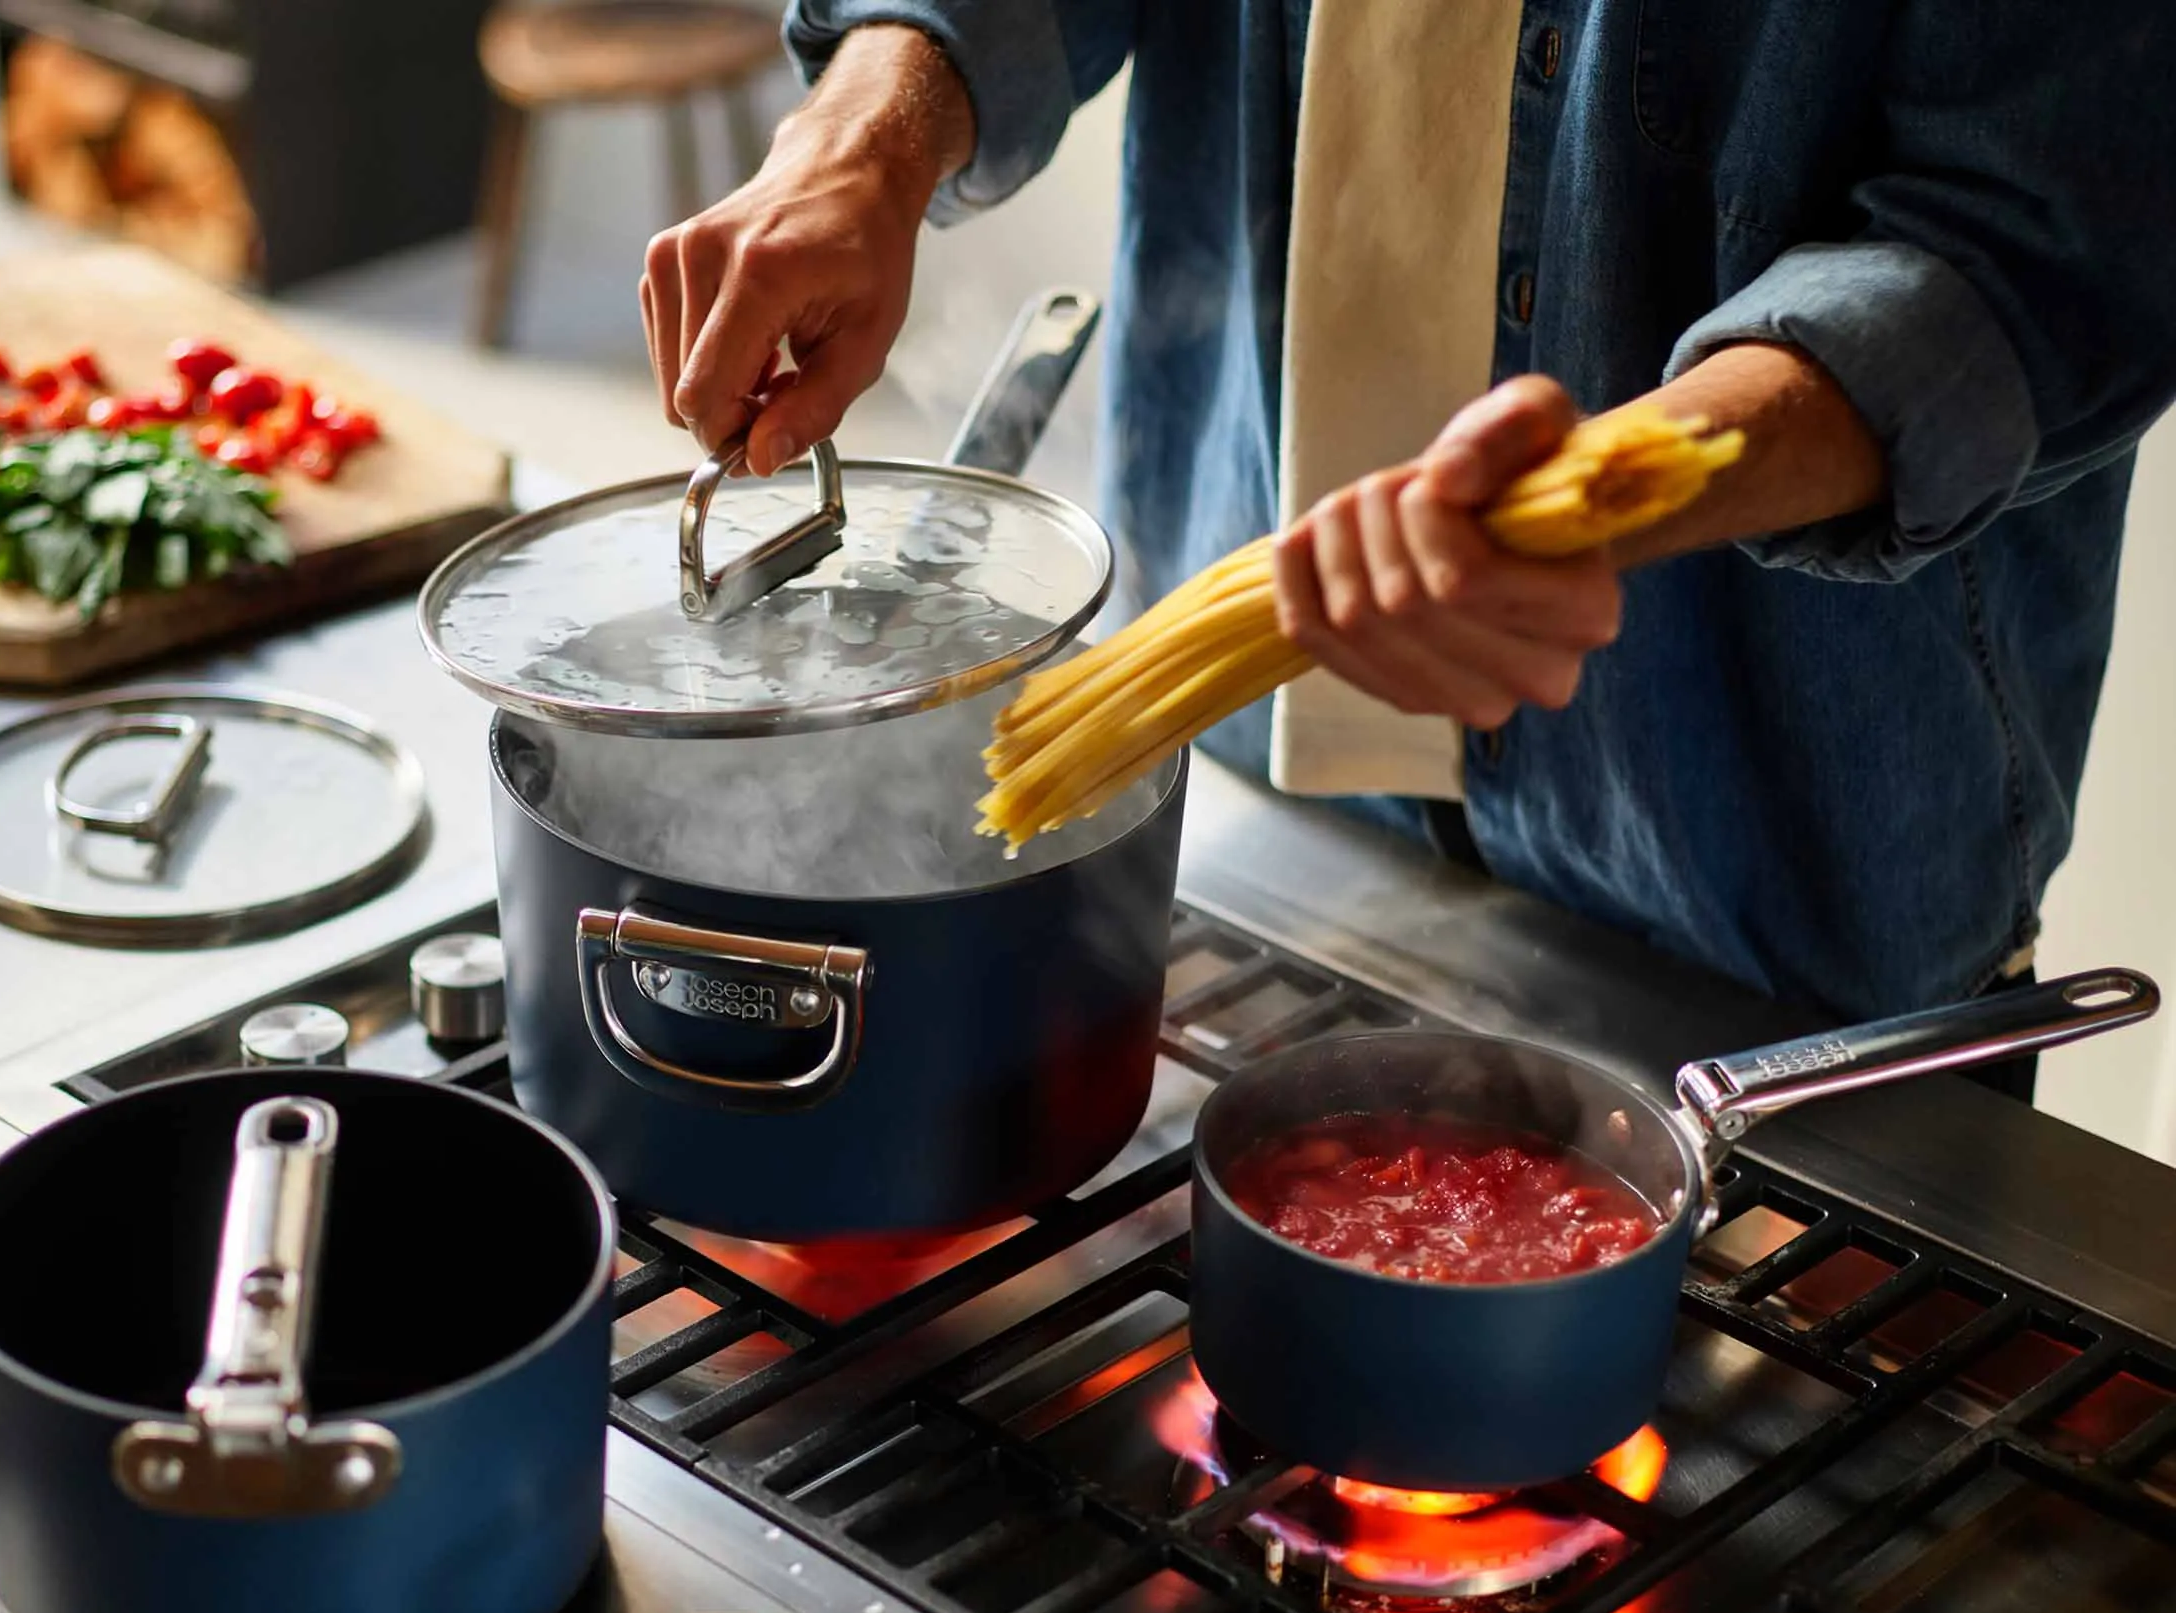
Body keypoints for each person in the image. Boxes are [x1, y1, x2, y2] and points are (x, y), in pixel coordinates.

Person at [639, 4, 2176, 1096]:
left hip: (1772, 906)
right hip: (1246, 818)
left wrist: (1597, 498)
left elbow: (2023, 246)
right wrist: (862, 130)